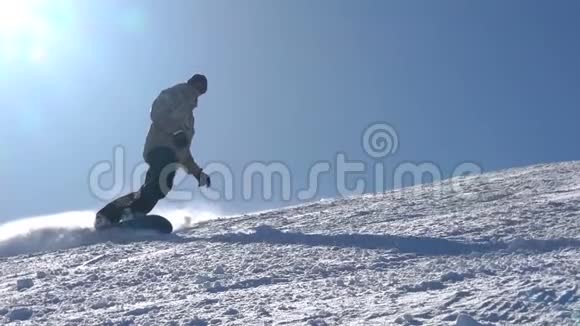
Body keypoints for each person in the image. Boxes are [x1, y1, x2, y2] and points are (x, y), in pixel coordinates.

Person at [95, 74, 211, 229]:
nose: (198, 91)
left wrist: (197, 173)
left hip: (171, 157)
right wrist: (176, 131)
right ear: (192, 83)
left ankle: (111, 213)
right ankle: (134, 212)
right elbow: (157, 112)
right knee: (160, 184)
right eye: (198, 86)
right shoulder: (176, 94)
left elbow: (184, 152)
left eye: (202, 89)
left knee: (155, 188)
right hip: (160, 148)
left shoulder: (190, 118)